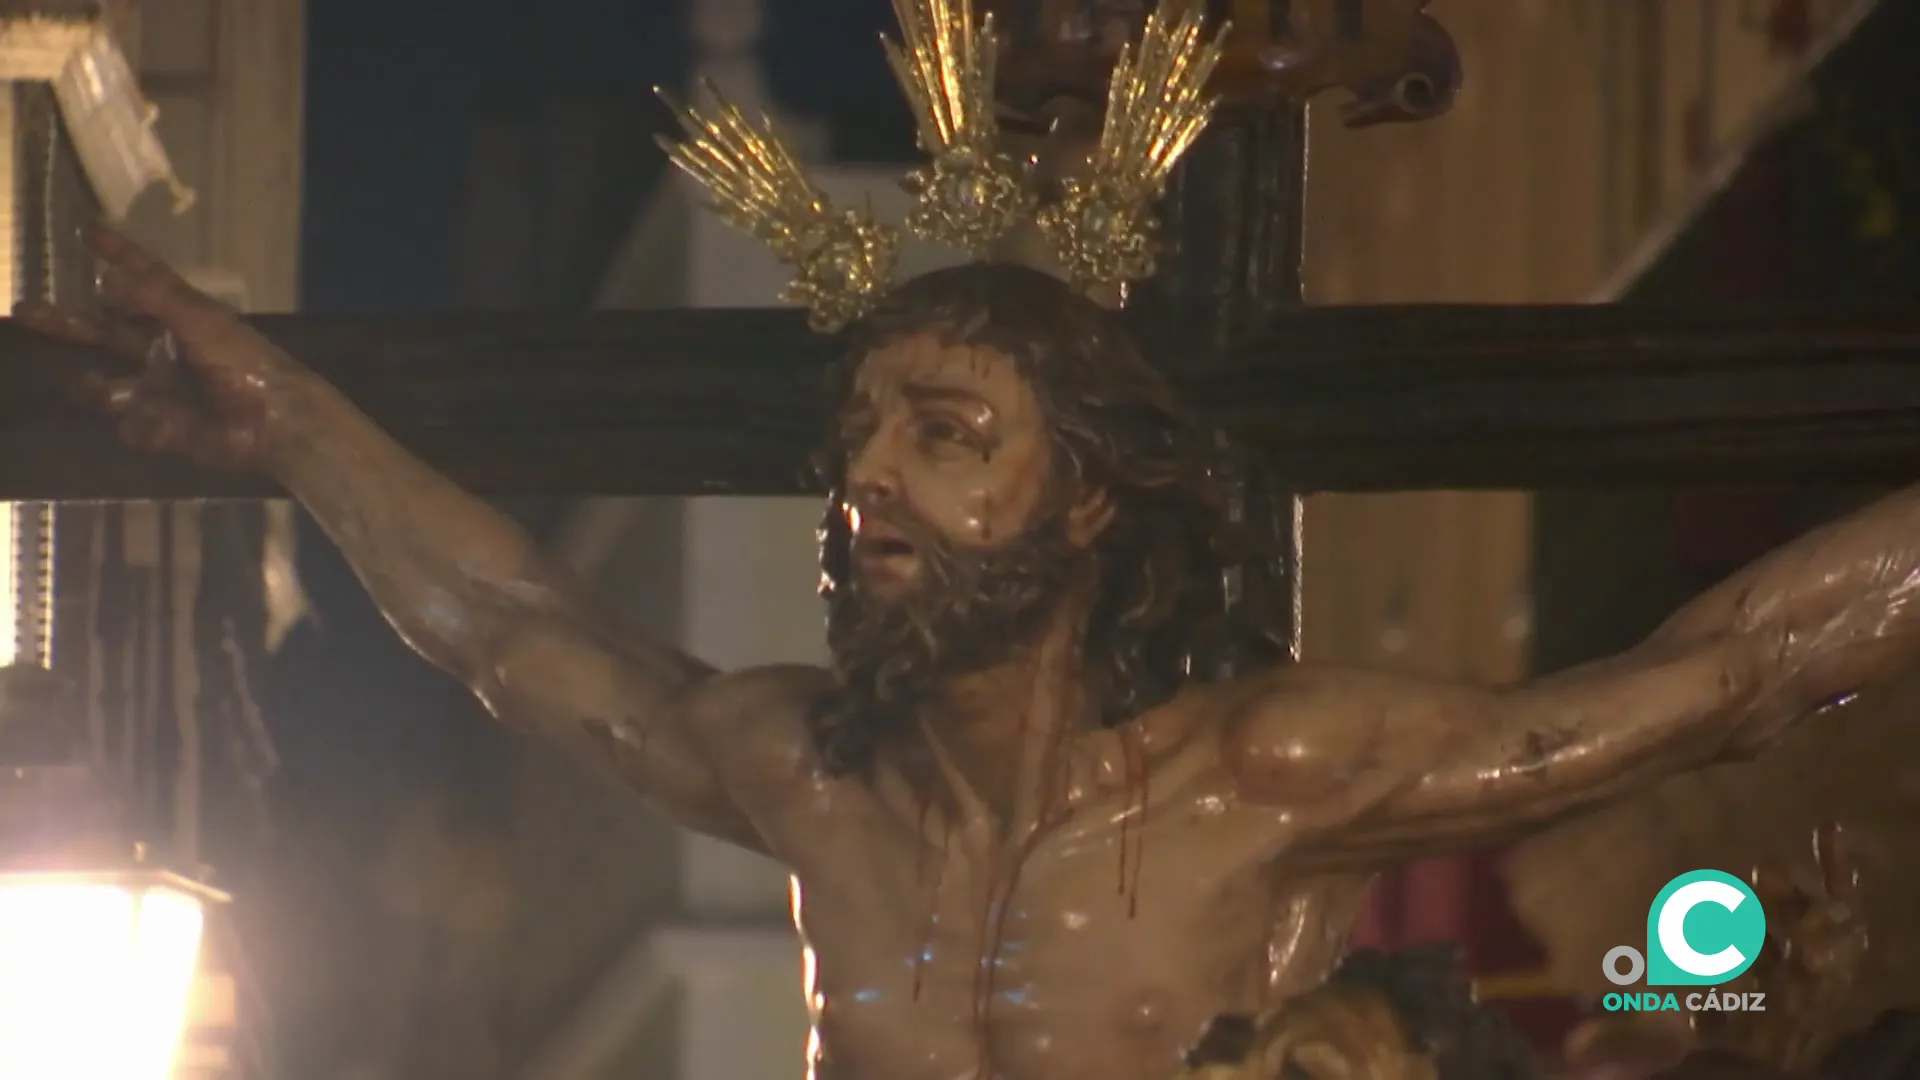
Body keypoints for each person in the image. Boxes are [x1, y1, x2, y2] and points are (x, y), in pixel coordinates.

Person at [20, 223, 1920, 1080]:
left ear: (1087, 501)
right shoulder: (813, 789)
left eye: (946, 433)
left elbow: (1738, 667)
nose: (871, 488)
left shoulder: (1265, 777)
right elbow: (515, 628)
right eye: (856, 443)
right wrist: (279, 418)